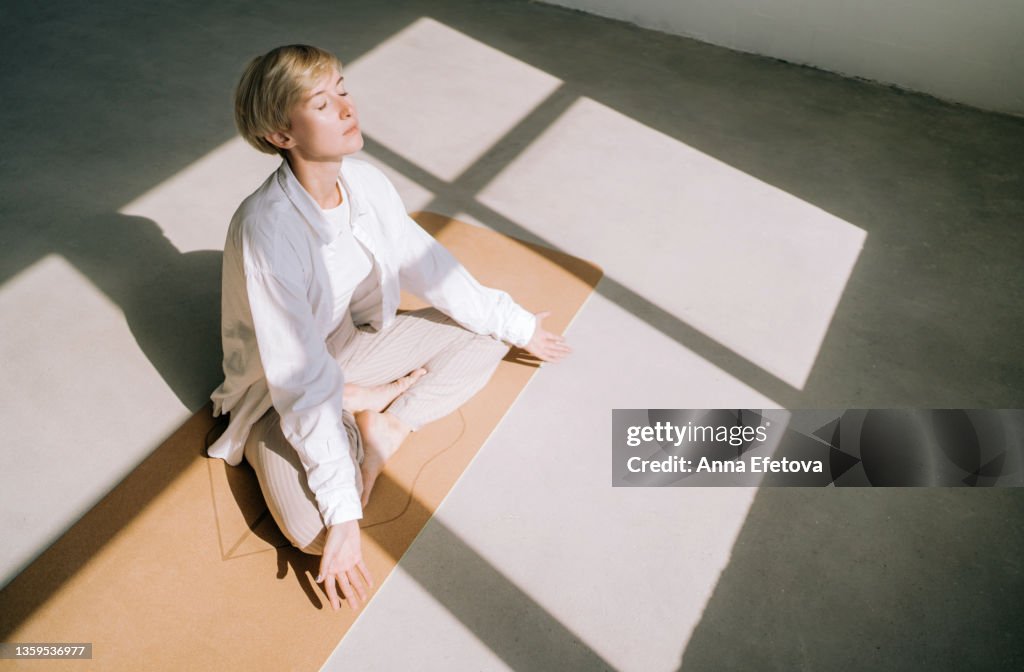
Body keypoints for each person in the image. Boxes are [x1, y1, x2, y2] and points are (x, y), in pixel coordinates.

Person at [206, 45, 570, 613]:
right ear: (282, 134)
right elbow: (299, 384)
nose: (346, 107)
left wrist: (518, 324)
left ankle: (383, 427)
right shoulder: (267, 231)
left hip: (353, 347)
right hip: (278, 397)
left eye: (343, 89)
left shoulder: (366, 183)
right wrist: (345, 516)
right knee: (319, 533)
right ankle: (356, 407)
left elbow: (430, 265)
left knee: (488, 339)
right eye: (322, 103)